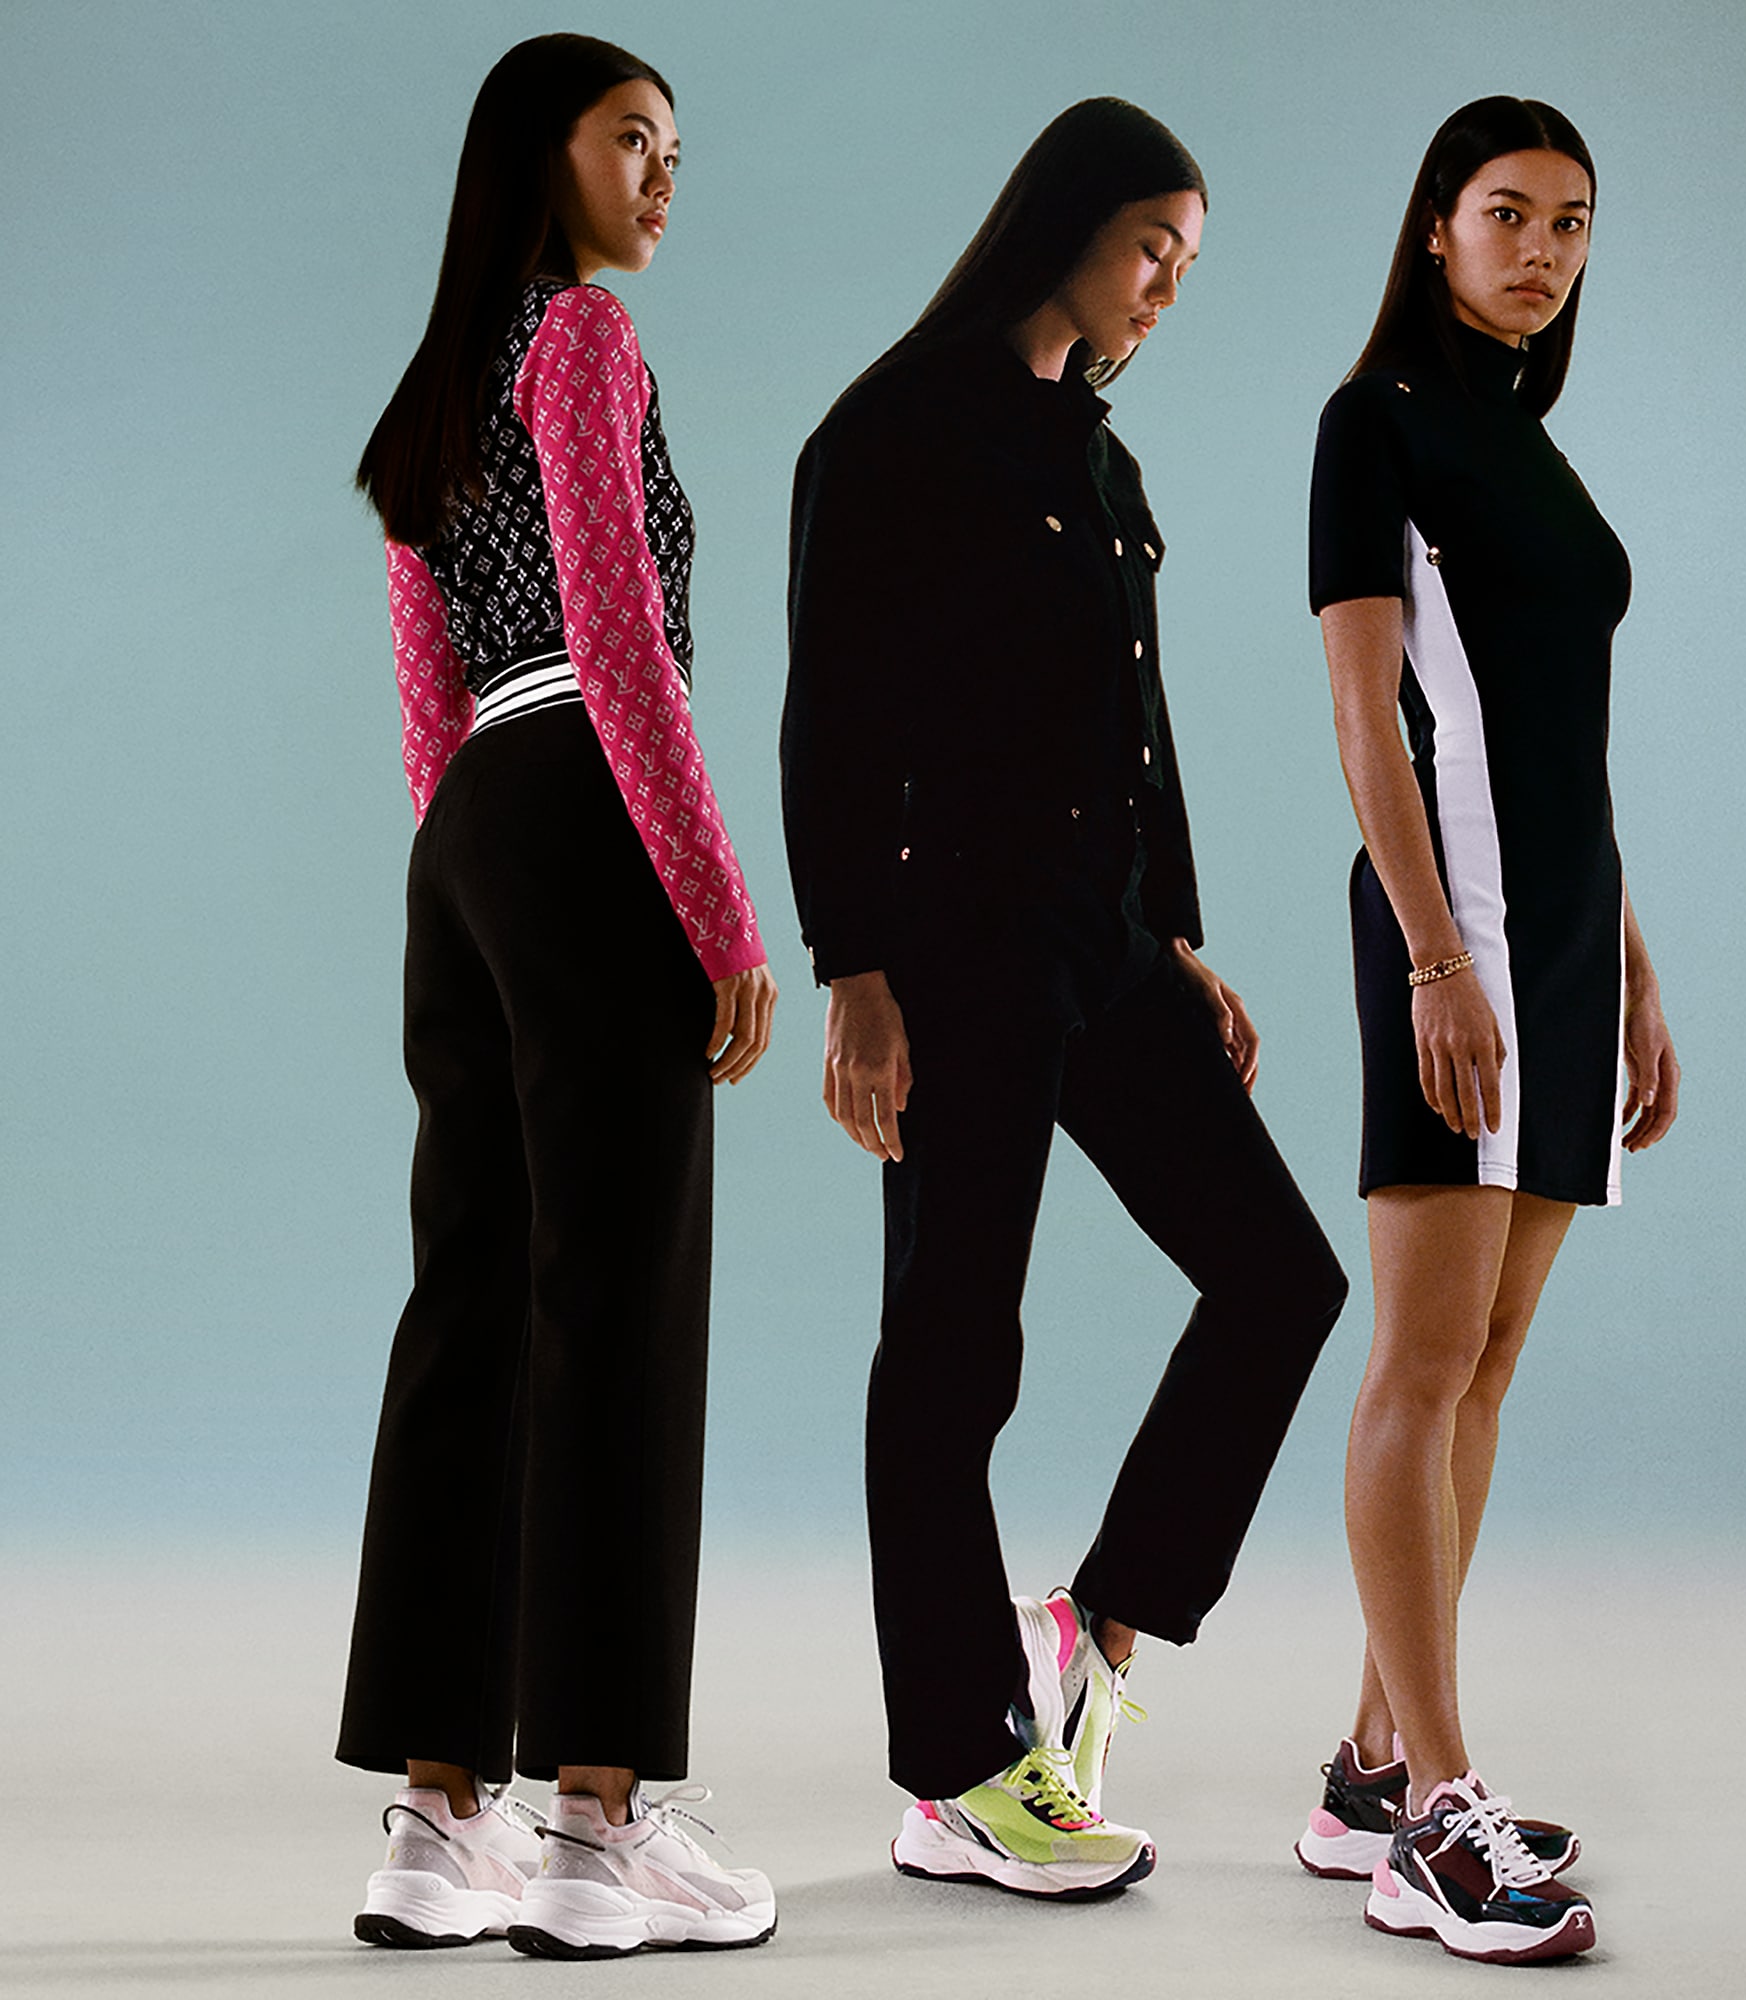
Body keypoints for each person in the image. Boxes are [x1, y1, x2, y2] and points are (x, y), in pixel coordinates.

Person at [781, 96, 1349, 1901]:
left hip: (1104, 943)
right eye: (1151, 248)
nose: (1168, 286)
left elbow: (1135, 725)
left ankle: (1096, 1622)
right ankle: (958, 1774)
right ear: (1066, 226)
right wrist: (853, 972)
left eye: (1188, 262)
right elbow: (828, 723)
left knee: (1283, 1280)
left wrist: (1173, 933)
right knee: (953, 1353)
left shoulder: (1103, 462)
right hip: (954, 946)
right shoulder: (889, 429)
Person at [335, 34, 778, 1959]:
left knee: (471, 1304)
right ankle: (598, 1825)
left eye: (676, 148)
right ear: (544, 156)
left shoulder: (429, 394)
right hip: (593, 801)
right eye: (633, 139)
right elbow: (620, 637)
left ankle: (438, 1825)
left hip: (466, 846)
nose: (665, 174)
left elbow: (426, 709)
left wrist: (479, 883)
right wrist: (720, 912)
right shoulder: (582, 339)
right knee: (618, 1303)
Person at [1298, 95, 1681, 1963]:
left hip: (1568, 933)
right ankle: (1434, 1819)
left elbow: (1556, 739)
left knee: (1491, 1361)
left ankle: (1375, 1765)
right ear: (1437, 224)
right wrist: (1437, 961)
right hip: (1453, 929)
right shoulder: (1373, 423)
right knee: (1422, 1357)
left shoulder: (1532, 445)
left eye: (1573, 222)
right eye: (1509, 213)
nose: (1542, 250)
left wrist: (1635, 964)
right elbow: (1367, 719)